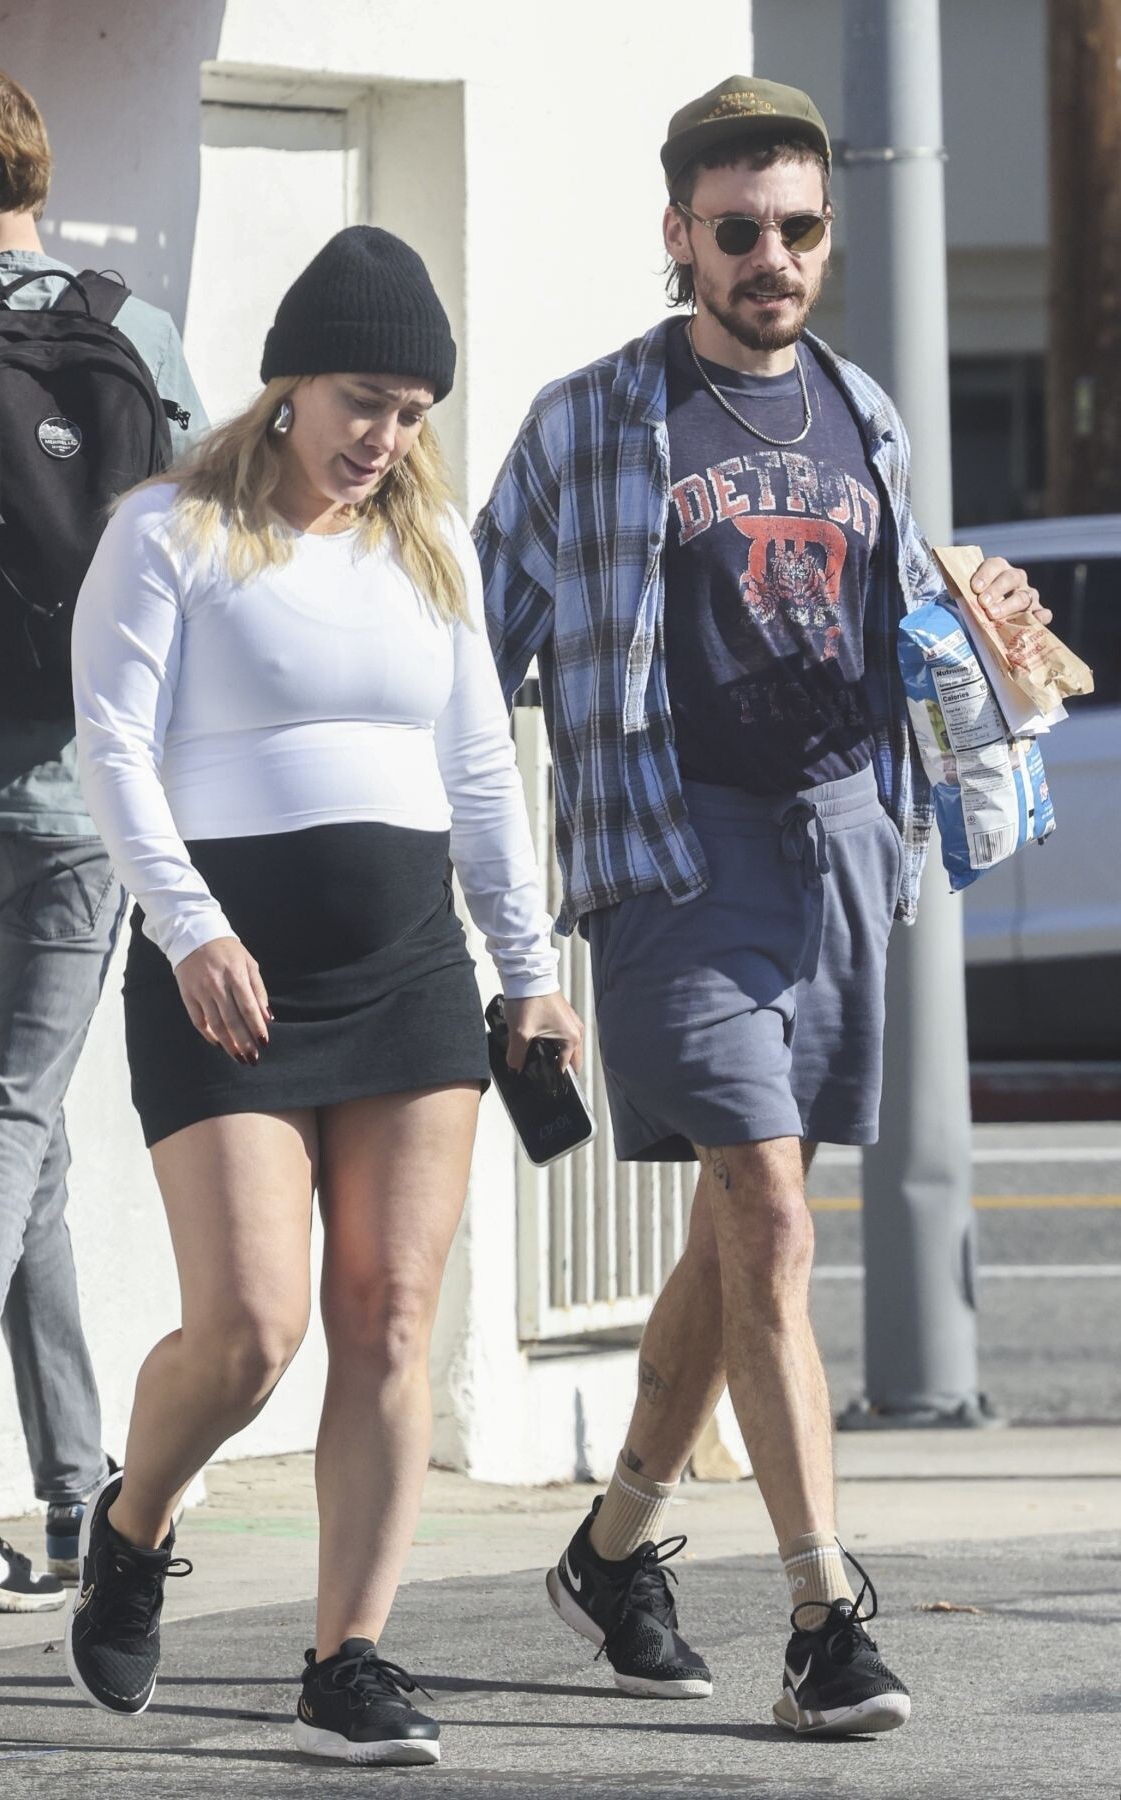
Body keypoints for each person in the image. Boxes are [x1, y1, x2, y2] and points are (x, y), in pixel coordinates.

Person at [475, 75, 1050, 1737]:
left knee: (742, 1229)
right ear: (680, 235)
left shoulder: (867, 412)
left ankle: (611, 1552)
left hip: (839, 851)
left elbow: (900, 625)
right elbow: (468, 652)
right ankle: (823, 1620)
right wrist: (482, 918)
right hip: (672, 859)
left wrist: (984, 628)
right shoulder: (592, 420)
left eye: (798, 228)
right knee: (776, 1219)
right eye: (738, 231)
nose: (772, 258)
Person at [64, 225, 581, 1766]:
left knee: (391, 1315)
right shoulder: (166, 530)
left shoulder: (431, 551)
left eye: (413, 412)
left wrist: (530, 972)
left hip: (409, 971)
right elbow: (112, 745)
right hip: (226, 976)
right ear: (290, 383)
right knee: (249, 1331)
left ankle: (347, 1656)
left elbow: (480, 770)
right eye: (365, 400)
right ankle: (134, 1524)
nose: (386, 437)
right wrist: (190, 929)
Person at [0, 63, 202, 1613]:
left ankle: (84, 1493)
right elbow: (209, 557)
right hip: (77, 801)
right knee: (15, 1130)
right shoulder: (136, 334)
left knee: (13, 1140)